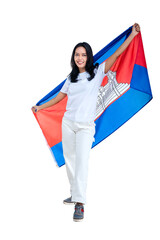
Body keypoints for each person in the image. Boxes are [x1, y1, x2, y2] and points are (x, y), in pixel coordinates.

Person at [32, 23, 140, 222]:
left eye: (83, 54)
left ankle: (80, 204)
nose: (79, 58)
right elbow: (59, 98)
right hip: (68, 123)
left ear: (88, 57)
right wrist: (41, 107)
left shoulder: (97, 72)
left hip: (85, 126)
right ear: (73, 58)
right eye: (76, 55)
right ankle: (75, 193)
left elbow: (116, 55)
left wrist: (132, 35)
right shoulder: (71, 78)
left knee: (82, 161)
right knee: (70, 159)